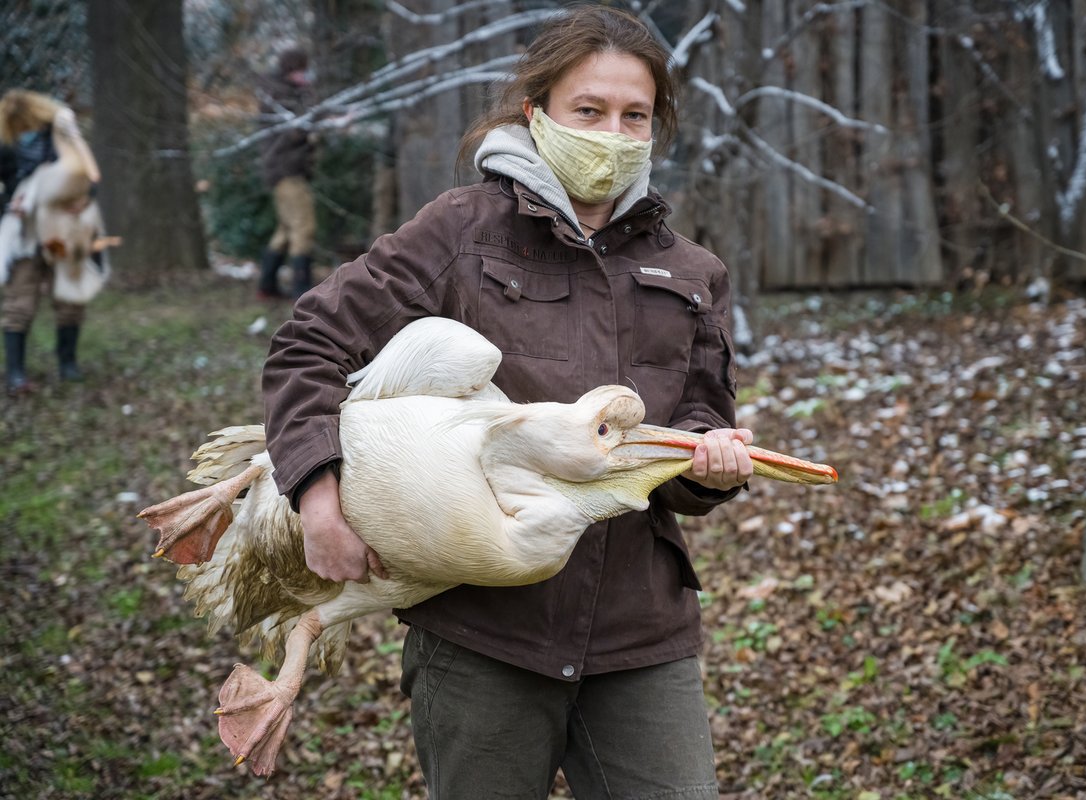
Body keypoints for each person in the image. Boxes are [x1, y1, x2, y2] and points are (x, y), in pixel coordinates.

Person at [261, 6, 753, 797]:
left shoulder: (692, 272)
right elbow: (309, 344)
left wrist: (710, 462)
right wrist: (319, 497)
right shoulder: (460, 234)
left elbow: (696, 425)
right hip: (482, 633)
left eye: (634, 117)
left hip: (640, 633)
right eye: (587, 111)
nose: (612, 135)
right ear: (537, 112)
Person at [0, 90, 103, 395]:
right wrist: (11, 204)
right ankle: (16, 372)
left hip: (66, 228)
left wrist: (81, 202)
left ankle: (67, 363)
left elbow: (88, 176)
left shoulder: (62, 133)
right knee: (19, 299)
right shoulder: (6, 143)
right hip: (25, 232)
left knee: (70, 298)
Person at [257, 46, 318, 300]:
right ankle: (301, 290)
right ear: (291, 70)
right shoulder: (282, 98)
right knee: (303, 227)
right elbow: (294, 132)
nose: (305, 75)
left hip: (282, 171)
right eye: (301, 70)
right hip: (286, 171)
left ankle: (267, 285)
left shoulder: (286, 94)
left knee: (285, 229)